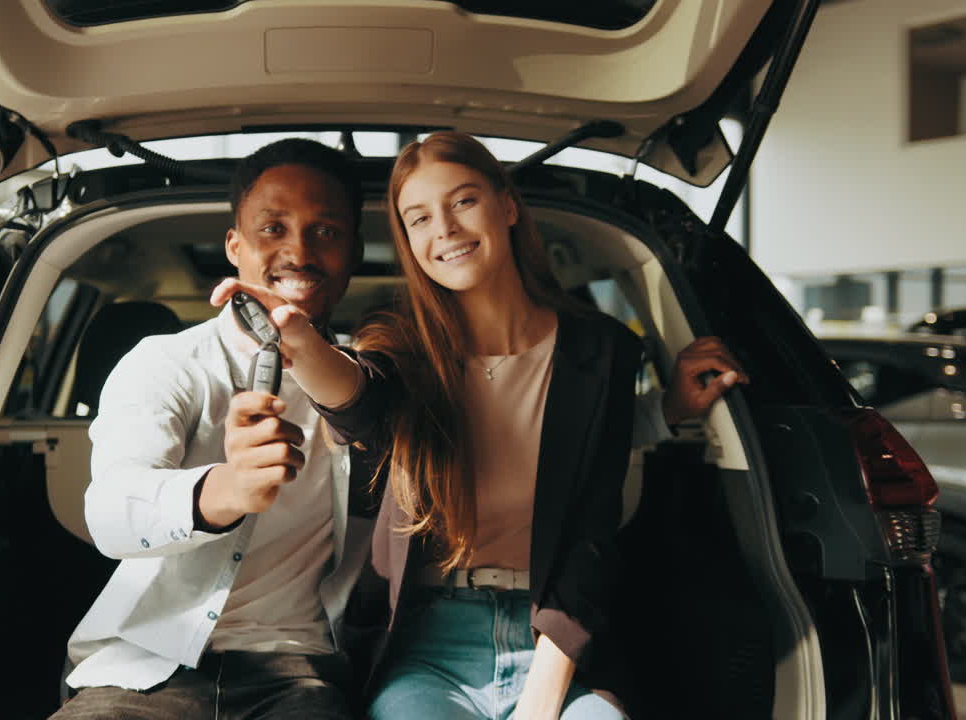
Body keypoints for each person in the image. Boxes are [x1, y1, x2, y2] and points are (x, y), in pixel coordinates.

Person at [208, 130, 749, 720]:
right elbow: (362, 403)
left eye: (463, 201)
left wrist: (543, 701)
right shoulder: (399, 345)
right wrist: (301, 343)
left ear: (507, 205)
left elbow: (588, 540)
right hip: (427, 640)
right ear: (408, 241)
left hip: (556, 637)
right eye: (418, 218)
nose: (444, 229)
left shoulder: (601, 351)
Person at [52, 138, 371, 719]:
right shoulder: (166, 362)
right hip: (145, 665)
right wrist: (221, 491)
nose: (298, 251)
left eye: (325, 231)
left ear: (354, 251)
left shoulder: (369, 388)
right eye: (272, 228)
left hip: (300, 670)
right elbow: (110, 509)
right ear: (234, 245)